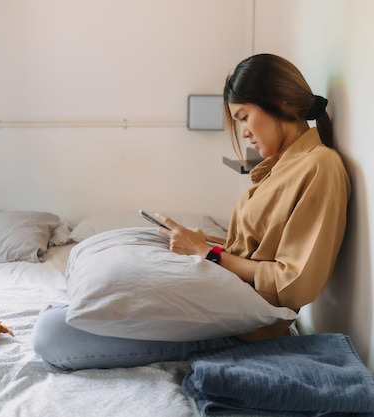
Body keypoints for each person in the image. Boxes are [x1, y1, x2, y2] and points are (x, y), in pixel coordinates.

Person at [32, 53, 351, 370]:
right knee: (71, 301)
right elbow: (253, 251)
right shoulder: (279, 167)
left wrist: (209, 252)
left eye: (243, 116)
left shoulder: (320, 166)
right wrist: (202, 242)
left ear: (281, 102)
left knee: (51, 334)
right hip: (219, 293)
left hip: (244, 327)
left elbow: (294, 282)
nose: (243, 132)